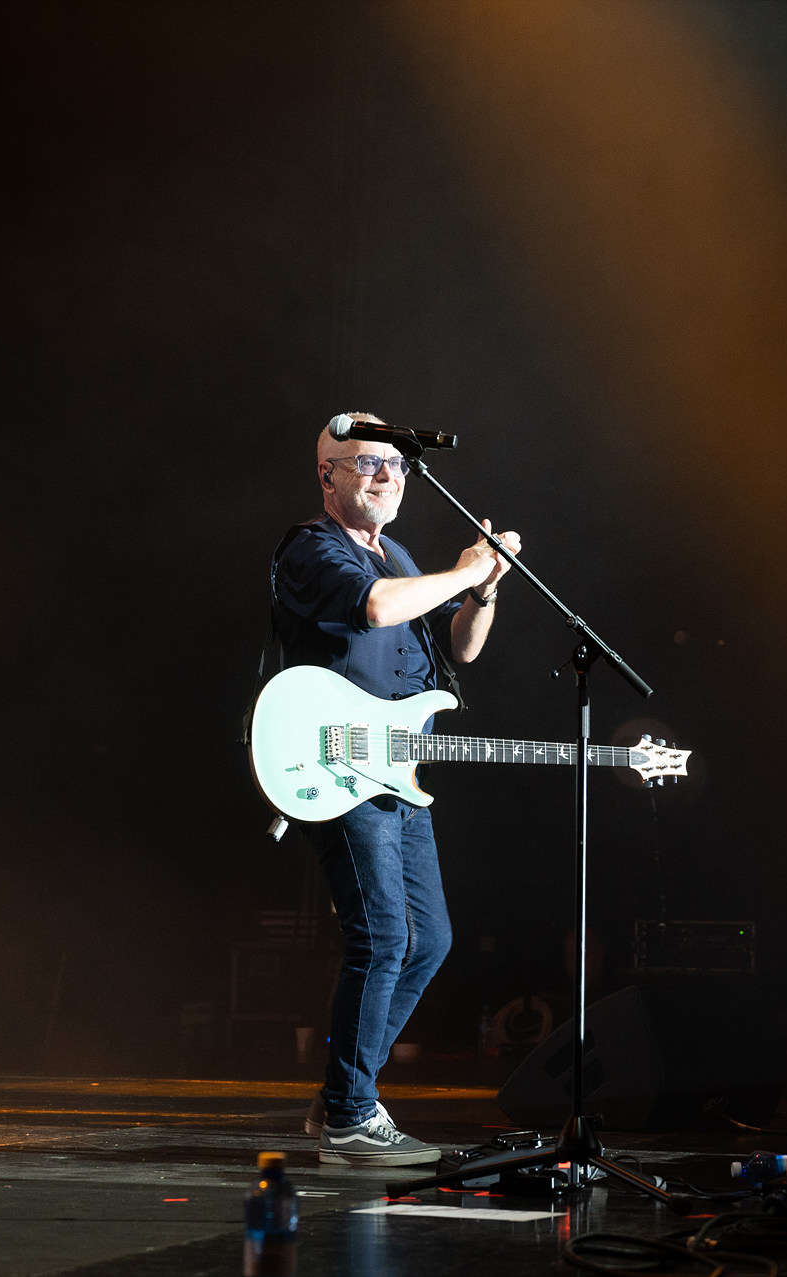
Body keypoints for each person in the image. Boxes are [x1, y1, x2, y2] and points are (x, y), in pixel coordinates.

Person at [271, 412, 521, 1166]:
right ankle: (352, 1115)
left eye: (397, 465)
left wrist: (486, 591)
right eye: (368, 462)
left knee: (430, 939)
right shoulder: (311, 546)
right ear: (328, 476)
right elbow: (375, 607)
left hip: (398, 772)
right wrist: (466, 570)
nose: (387, 475)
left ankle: (342, 1097)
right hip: (338, 767)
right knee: (381, 936)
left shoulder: (401, 555)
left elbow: (460, 653)